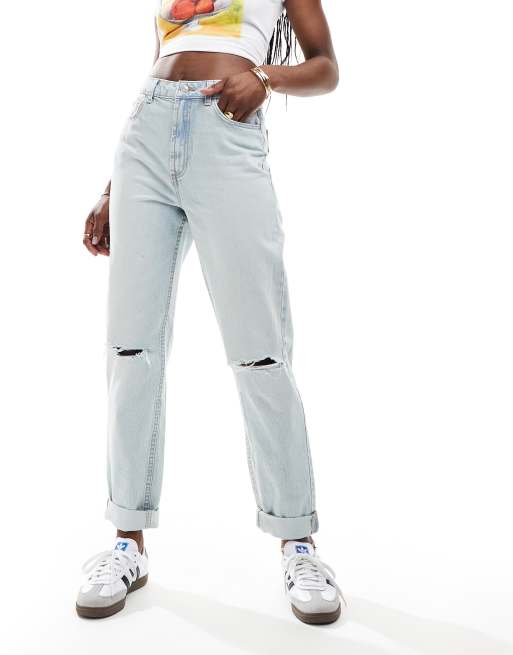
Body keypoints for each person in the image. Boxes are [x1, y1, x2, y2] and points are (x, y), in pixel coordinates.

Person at [78, 0, 343, 625]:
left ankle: (298, 543)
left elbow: (326, 68)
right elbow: (160, 61)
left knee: (260, 352)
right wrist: (112, 188)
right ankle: (127, 541)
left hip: (227, 130)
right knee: (130, 350)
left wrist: (266, 78)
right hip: (144, 136)